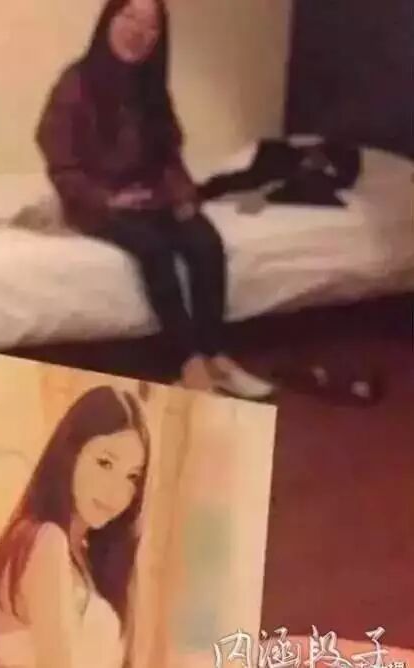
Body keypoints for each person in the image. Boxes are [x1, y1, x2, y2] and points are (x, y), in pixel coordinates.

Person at [35, 0, 274, 400]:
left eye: (150, 26)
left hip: (149, 194)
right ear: (108, 20)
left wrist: (183, 198)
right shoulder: (76, 82)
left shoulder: (151, 87)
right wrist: (107, 199)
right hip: (97, 200)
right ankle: (189, 364)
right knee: (154, 248)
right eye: (129, 17)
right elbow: (60, 162)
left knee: (204, 241)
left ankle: (215, 354)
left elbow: (169, 156)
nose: (138, 32)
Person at [0, 385, 151, 668]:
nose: (116, 492)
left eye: (132, 477)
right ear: (71, 451)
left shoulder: (86, 558)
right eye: (105, 463)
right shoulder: (46, 540)